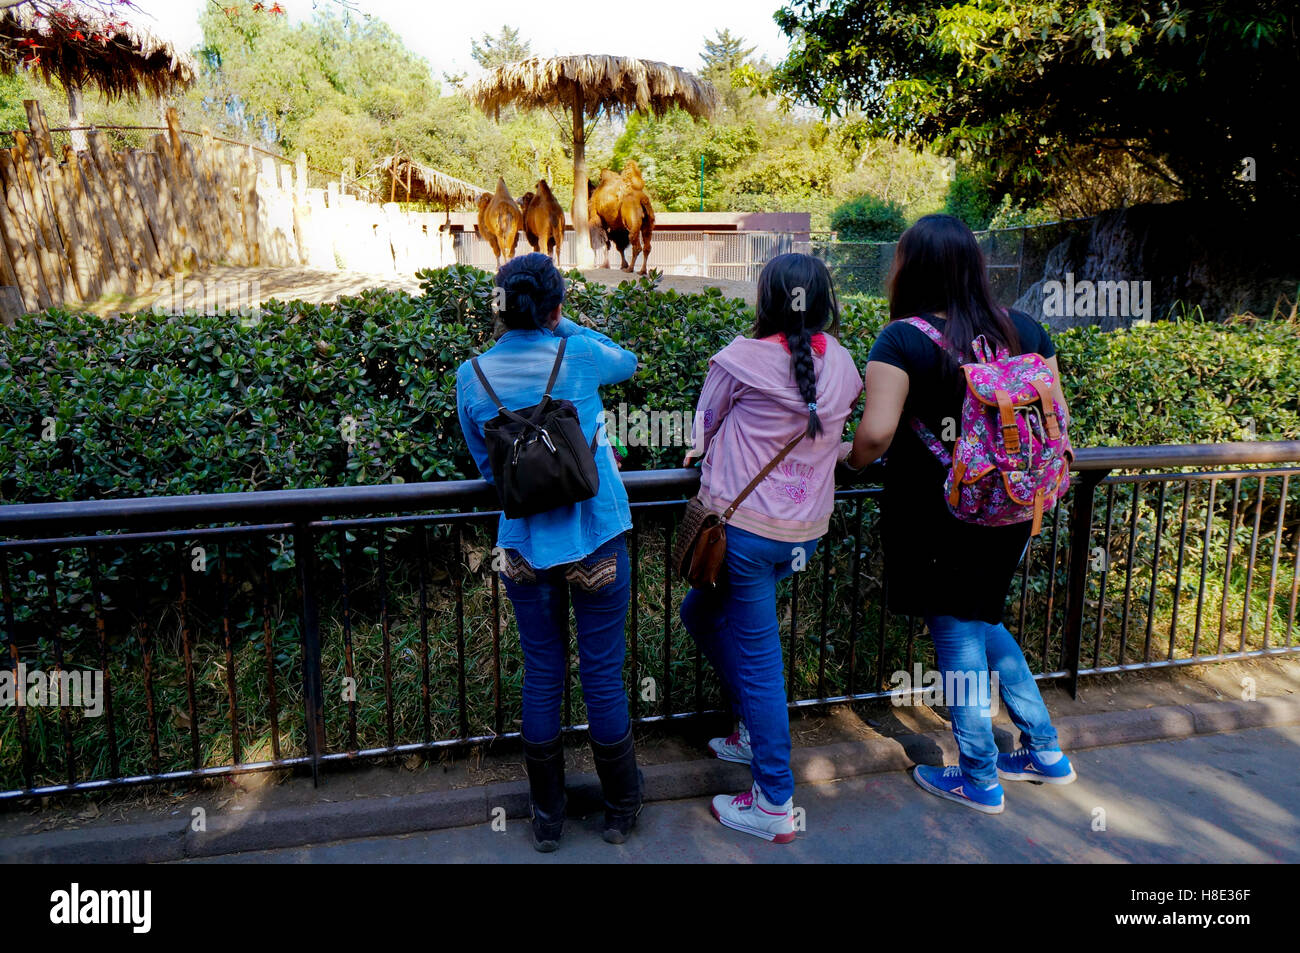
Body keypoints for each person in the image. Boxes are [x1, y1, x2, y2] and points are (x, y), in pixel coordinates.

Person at [845, 214, 1077, 815]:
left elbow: (873, 437)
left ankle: (978, 775)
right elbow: (1059, 423)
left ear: (909, 268)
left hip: (938, 516)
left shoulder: (902, 339)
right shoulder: (1026, 329)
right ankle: (1044, 751)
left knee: (956, 635)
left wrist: (844, 464)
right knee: (984, 620)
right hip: (1014, 509)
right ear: (975, 265)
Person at [456, 253, 640, 850]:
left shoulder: (472, 377)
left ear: (499, 311)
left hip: (525, 549)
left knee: (543, 674)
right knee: (604, 676)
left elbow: (487, 466)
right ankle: (619, 810)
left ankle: (548, 819)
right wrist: (565, 325)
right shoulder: (579, 356)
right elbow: (629, 362)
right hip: (597, 539)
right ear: (555, 308)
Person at [681, 253, 863, 842]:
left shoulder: (741, 358)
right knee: (700, 612)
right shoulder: (843, 365)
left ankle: (772, 801)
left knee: (761, 666)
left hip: (744, 532)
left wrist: (696, 448)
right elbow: (834, 433)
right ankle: (754, 739)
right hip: (800, 533)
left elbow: (704, 423)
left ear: (766, 299)